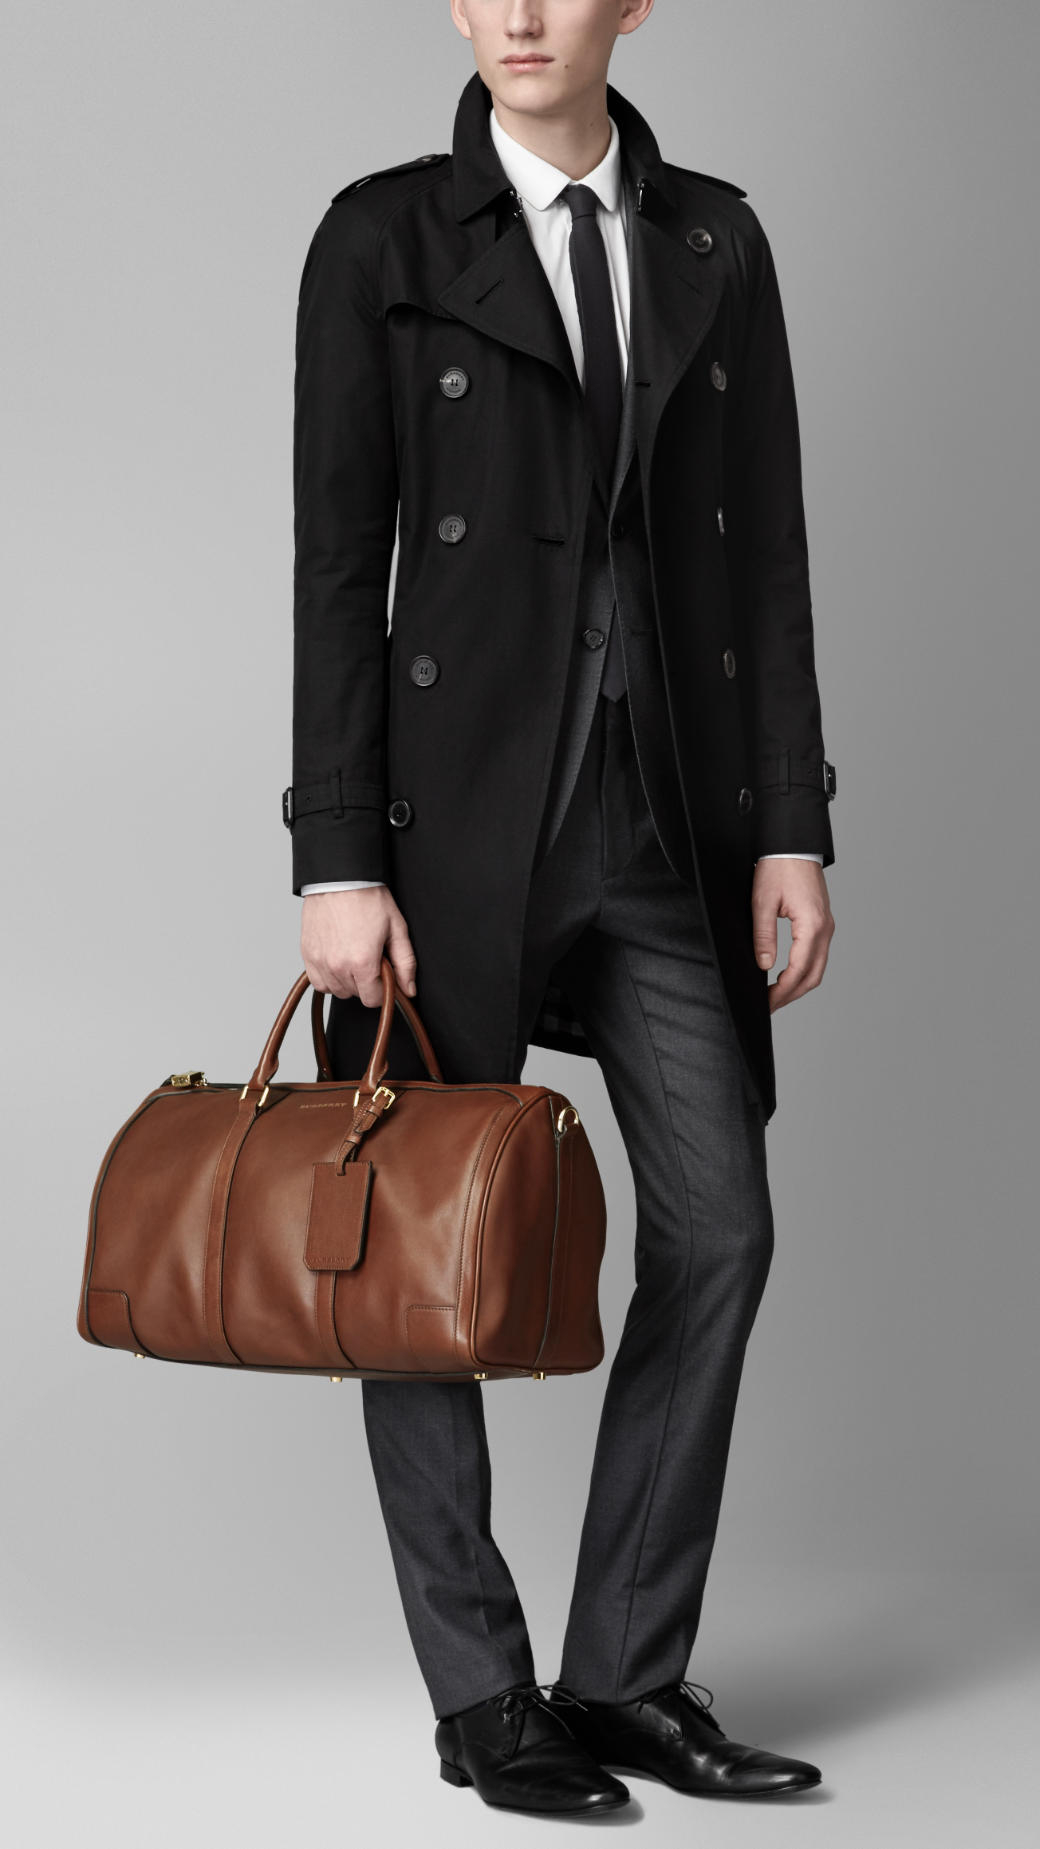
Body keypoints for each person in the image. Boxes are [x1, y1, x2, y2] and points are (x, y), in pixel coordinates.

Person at [284, 0, 836, 1817]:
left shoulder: (715, 240)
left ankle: (624, 1673)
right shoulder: (379, 238)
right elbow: (336, 565)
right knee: (407, 1262)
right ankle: (483, 1696)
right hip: (450, 830)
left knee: (721, 1227)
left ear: (634, 3)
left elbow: (765, 541)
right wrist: (336, 855)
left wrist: (789, 823)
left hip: (662, 815)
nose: (519, 12)